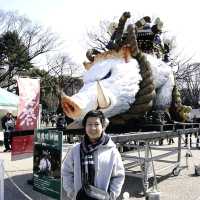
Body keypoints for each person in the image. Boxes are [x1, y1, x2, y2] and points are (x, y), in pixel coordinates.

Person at [62, 110, 125, 200]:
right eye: (89, 124)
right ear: (85, 127)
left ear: (103, 127)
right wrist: (73, 193)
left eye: (96, 124)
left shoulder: (112, 151)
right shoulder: (75, 150)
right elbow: (66, 172)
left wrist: (111, 196)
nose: (93, 128)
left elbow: (118, 176)